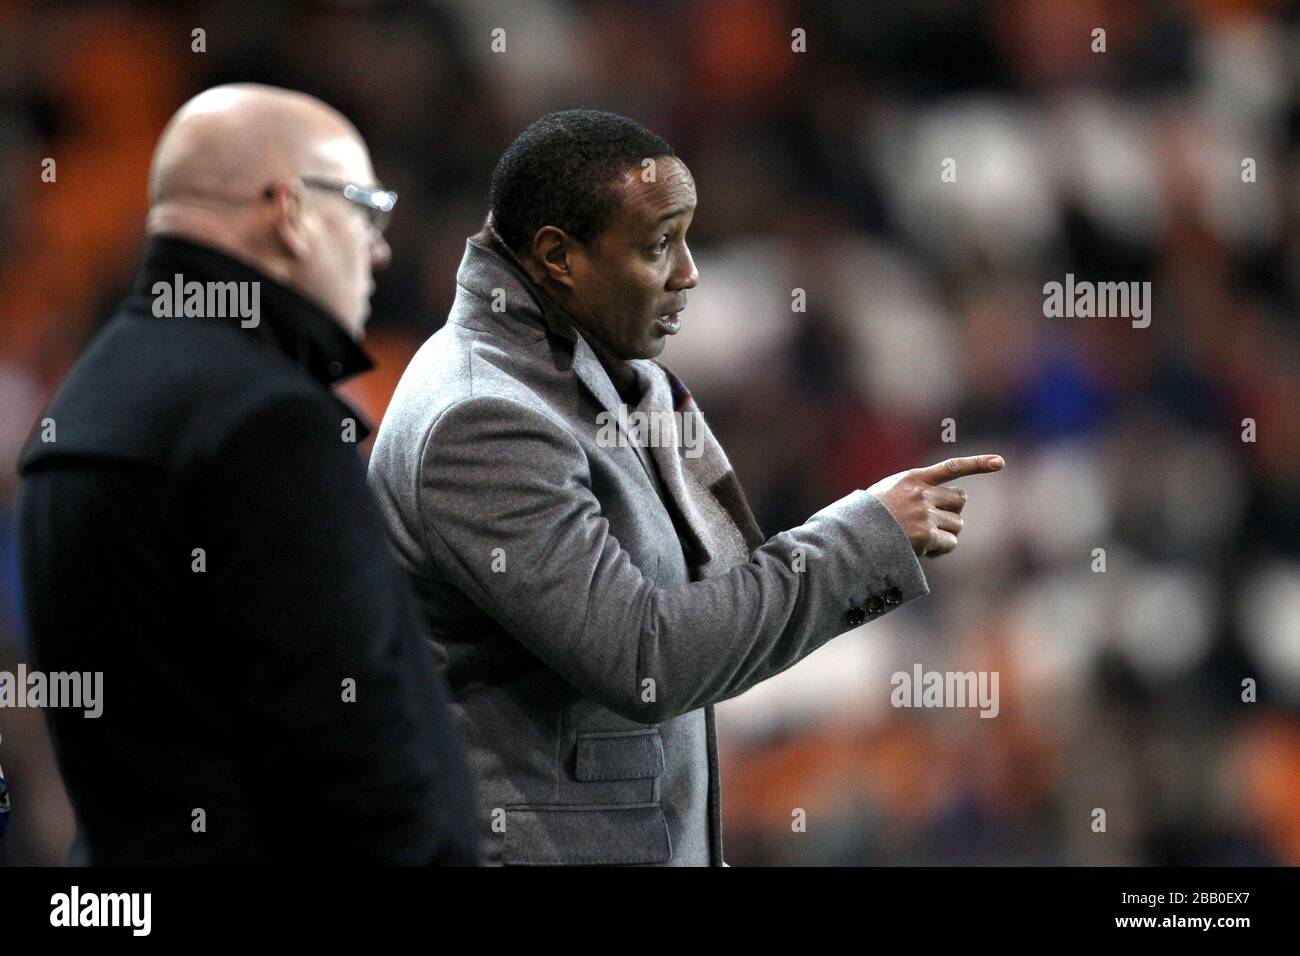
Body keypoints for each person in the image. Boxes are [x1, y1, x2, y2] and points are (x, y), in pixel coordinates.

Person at [368, 109, 1004, 866]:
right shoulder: (485, 421)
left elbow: (714, 615)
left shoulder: (588, 370)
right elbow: (646, 657)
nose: (688, 272)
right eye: (658, 244)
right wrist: (864, 541)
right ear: (557, 257)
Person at [17, 84, 479, 865]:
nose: (380, 247)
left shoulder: (87, 404)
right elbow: (354, 758)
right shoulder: (266, 420)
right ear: (289, 210)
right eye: (367, 206)